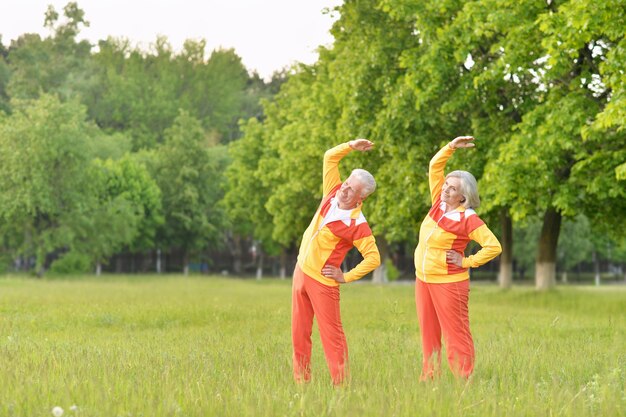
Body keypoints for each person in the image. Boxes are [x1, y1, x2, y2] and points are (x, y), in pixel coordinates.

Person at [292, 138, 381, 385]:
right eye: (347, 183)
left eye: (351, 189)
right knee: (299, 332)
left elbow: (374, 258)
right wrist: (351, 146)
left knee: (332, 337)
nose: (344, 189)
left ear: (361, 197)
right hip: (301, 271)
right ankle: (301, 382)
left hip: (324, 282)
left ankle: (340, 386)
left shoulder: (357, 225)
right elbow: (329, 157)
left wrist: (346, 276)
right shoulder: (332, 191)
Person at [414, 136, 502, 380]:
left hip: (449, 284)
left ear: (462, 197)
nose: (445, 189)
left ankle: (464, 379)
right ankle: (429, 376)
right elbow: (434, 167)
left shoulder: (468, 219)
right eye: (446, 185)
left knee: (456, 334)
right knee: (428, 332)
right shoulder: (437, 204)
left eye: (451, 188)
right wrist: (450, 147)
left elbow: (493, 246)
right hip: (423, 279)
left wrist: (466, 261)